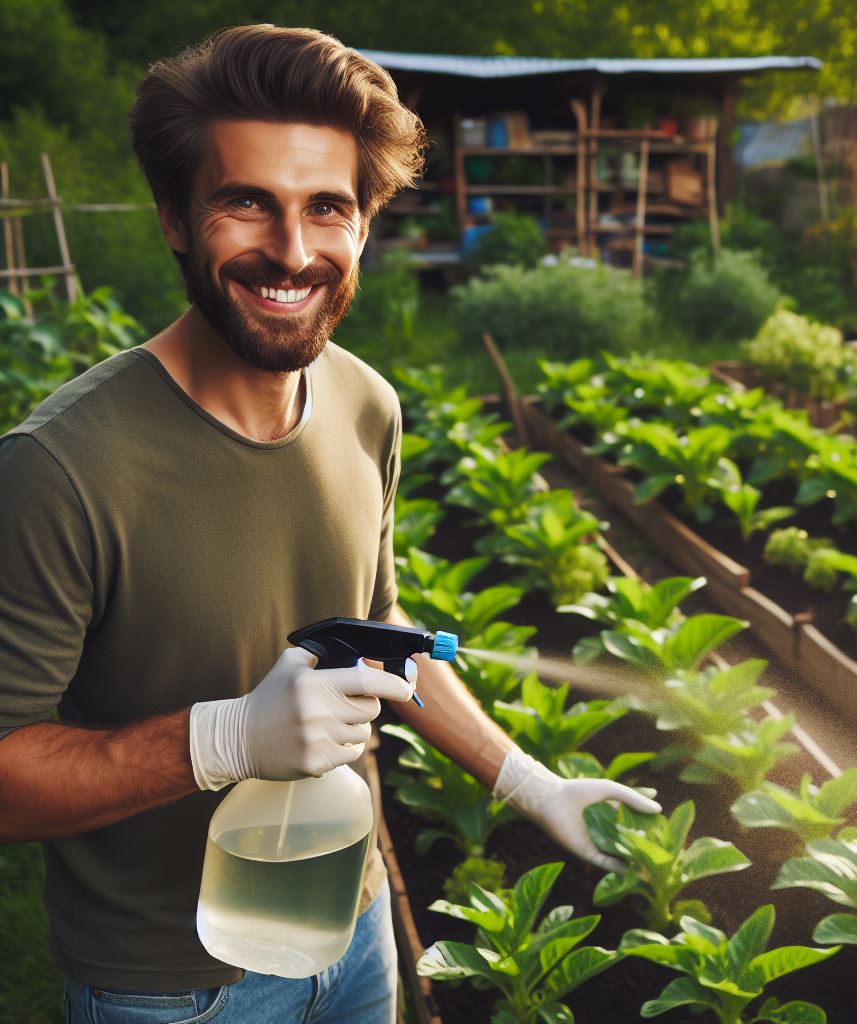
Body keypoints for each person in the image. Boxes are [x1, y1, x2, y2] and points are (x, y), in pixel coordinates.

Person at [0, 24, 659, 1024]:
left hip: (350, 936)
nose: (293, 251)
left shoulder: (365, 403)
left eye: (328, 208)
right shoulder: (61, 469)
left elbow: (379, 634)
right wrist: (223, 738)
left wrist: (528, 781)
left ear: (366, 222)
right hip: (174, 987)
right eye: (247, 202)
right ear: (176, 217)